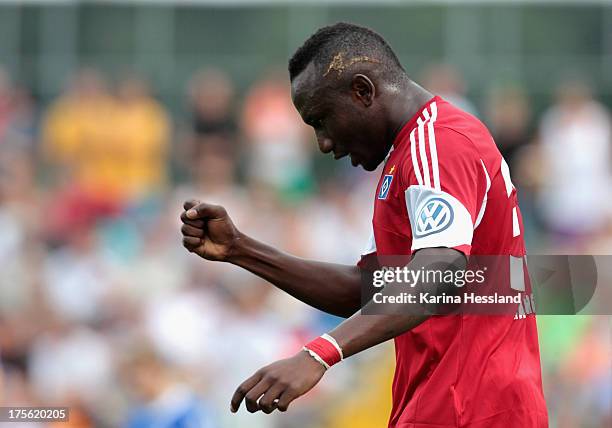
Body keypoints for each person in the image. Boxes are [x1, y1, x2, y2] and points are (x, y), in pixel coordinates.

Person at [180, 22, 548, 428]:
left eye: (321, 120)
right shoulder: (410, 156)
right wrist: (241, 250)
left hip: (472, 409)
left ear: (363, 92)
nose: (323, 143)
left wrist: (319, 353)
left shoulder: (438, 144)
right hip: (447, 403)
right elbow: (374, 289)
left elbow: (441, 270)